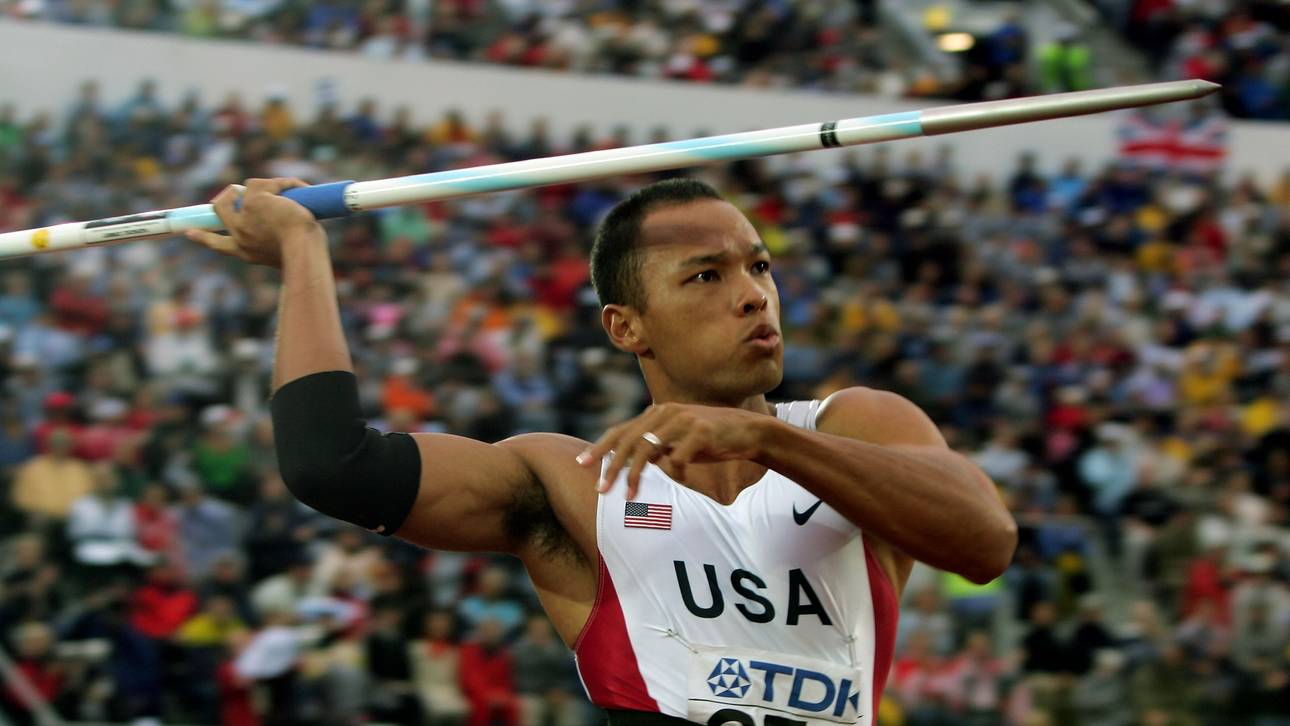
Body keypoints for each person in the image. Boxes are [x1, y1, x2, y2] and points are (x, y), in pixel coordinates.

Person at [188, 176, 1017, 726]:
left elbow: (985, 544)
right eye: (705, 276)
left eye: (758, 266)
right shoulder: (568, 480)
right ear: (627, 327)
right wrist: (302, 251)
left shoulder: (853, 425)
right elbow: (328, 465)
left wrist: (764, 438)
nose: (752, 294)